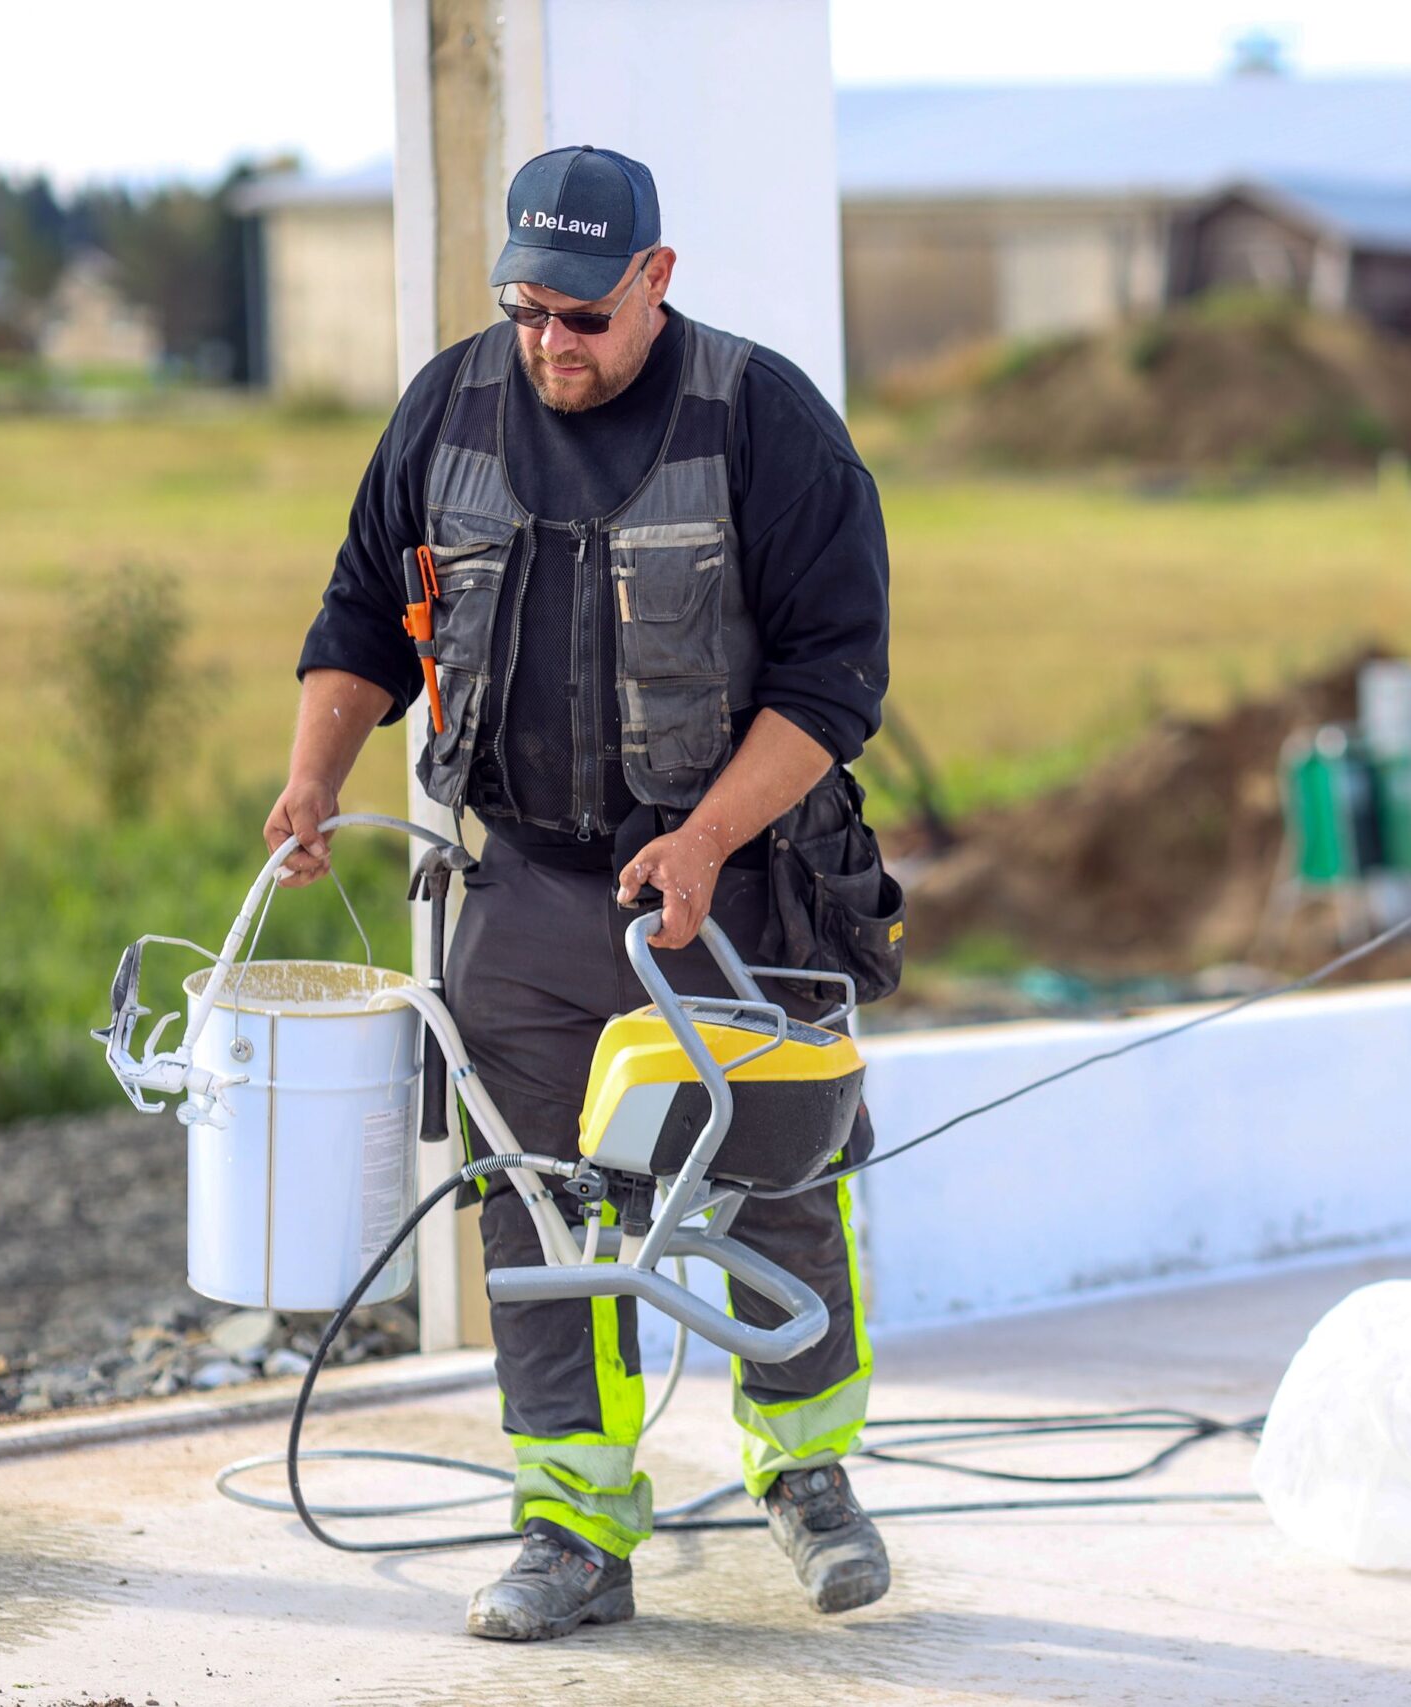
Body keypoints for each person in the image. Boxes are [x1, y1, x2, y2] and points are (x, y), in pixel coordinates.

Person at [268, 145, 900, 1639]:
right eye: (525, 308)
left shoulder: (763, 418)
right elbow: (363, 605)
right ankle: (571, 1524)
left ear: (654, 282)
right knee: (535, 1210)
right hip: (533, 897)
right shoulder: (450, 406)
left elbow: (836, 676)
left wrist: (705, 837)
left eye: (582, 317)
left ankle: (809, 1473)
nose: (550, 342)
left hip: (729, 896)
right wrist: (313, 774)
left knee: (779, 1182)